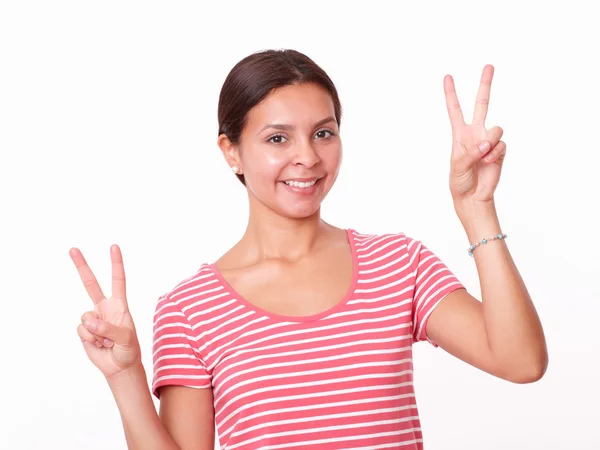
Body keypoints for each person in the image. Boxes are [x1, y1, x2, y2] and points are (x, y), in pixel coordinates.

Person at [71, 49, 548, 450]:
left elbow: (521, 361)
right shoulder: (190, 310)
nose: (309, 156)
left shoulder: (399, 264)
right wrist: (125, 377)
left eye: (324, 132)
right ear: (231, 150)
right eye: (278, 138)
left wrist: (477, 207)